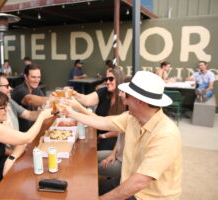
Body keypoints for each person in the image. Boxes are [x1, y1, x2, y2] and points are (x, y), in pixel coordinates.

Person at [62, 71, 182, 200]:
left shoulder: (166, 134)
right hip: (129, 179)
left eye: (127, 96)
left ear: (138, 100)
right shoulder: (132, 118)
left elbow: (140, 182)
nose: (124, 99)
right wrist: (71, 113)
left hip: (149, 196)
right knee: (88, 188)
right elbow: (103, 121)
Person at [71, 69, 126, 150]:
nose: (107, 82)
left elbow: (122, 129)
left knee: (87, 152)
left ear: (119, 79)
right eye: (106, 79)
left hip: (113, 141)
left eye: (111, 79)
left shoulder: (126, 99)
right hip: (98, 132)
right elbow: (87, 100)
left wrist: (103, 136)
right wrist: (74, 94)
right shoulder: (105, 92)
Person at [12, 64, 48, 131]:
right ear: (26, 76)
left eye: (39, 77)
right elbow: (30, 100)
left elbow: (45, 104)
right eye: (33, 77)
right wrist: (57, 99)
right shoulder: (19, 90)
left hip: (32, 129)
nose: (37, 80)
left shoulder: (36, 89)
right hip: (19, 132)